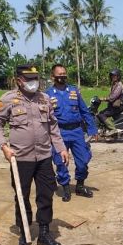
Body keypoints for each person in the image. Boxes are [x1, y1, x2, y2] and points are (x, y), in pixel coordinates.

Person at [0, 65, 69, 245]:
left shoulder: (44, 99)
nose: (34, 83)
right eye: (29, 79)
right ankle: (25, 231)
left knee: (45, 194)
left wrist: (61, 148)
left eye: (35, 78)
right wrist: (4, 147)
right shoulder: (8, 99)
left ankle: (44, 232)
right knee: (22, 195)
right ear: (19, 80)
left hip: (43, 156)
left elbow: (53, 126)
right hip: (20, 158)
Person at [45, 64, 98, 202]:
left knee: (83, 160)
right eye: (59, 74)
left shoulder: (74, 91)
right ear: (53, 77)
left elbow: (84, 111)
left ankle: (80, 186)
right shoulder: (48, 94)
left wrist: (92, 129)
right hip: (59, 132)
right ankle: (66, 188)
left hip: (76, 131)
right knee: (61, 162)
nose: (62, 76)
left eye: (64, 73)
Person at [97, 68, 123, 135]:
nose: (113, 77)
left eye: (114, 76)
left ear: (118, 76)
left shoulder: (119, 85)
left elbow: (113, 97)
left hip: (117, 107)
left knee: (101, 114)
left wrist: (103, 99)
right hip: (113, 106)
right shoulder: (114, 84)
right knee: (101, 113)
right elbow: (111, 96)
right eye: (112, 76)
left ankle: (113, 129)